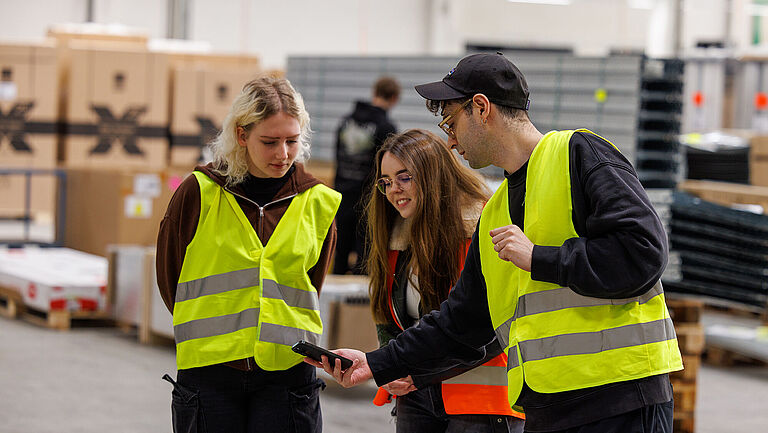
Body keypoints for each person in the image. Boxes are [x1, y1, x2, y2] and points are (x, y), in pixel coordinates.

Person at [308, 53, 683, 433]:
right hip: (548, 407)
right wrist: (376, 362)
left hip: (621, 399)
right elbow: (461, 320)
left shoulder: (579, 153)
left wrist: (539, 259)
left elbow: (644, 253)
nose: (450, 142)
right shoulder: (496, 209)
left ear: (481, 108)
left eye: (451, 123)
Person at [156, 76, 341, 433]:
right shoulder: (199, 193)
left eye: (292, 140)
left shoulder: (318, 202)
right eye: (269, 142)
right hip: (210, 373)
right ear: (242, 136)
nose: (283, 154)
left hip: (288, 374)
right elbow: (170, 280)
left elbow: (311, 284)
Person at [365, 129, 525, 432]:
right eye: (386, 182)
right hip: (417, 395)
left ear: (432, 174)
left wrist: (420, 370)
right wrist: (393, 368)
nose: (393, 190)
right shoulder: (397, 239)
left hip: (481, 399)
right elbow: (387, 317)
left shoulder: (481, 231)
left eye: (404, 177)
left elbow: (489, 329)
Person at [333, 76, 400, 275]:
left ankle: (333, 302)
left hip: (342, 194)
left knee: (340, 254)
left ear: (375, 92)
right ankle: (354, 306)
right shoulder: (386, 127)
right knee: (364, 258)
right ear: (394, 98)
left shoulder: (346, 121)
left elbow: (337, 157)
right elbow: (388, 168)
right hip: (368, 200)